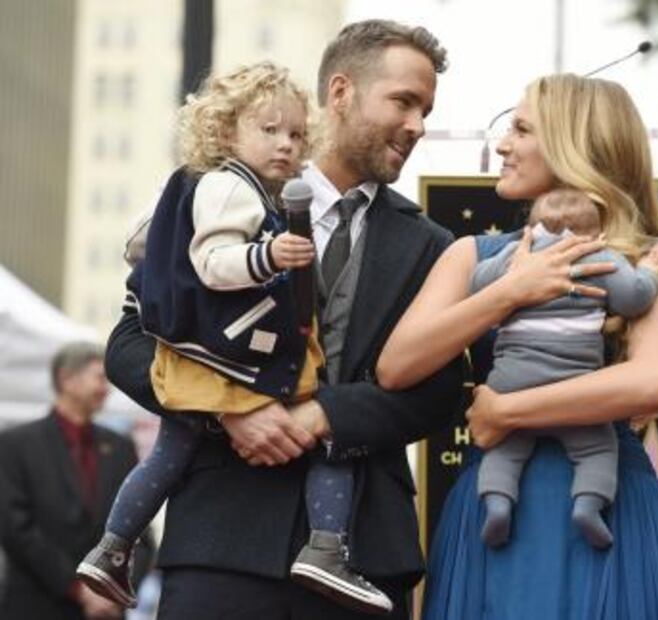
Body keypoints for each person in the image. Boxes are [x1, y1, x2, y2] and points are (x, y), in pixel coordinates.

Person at [104, 19, 463, 620]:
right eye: (403, 102)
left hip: (364, 552)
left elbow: (440, 394)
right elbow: (129, 344)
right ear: (341, 92)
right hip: (220, 539)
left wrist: (326, 415)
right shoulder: (214, 196)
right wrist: (227, 409)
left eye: (425, 110)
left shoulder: (433, 244)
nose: (417, 126)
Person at [377, 73, 658, 619]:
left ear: (577, 146)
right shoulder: (472, 255)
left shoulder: (648, 258)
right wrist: (511, 291)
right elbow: (396, 366)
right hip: (497, 512)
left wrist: (506, 411)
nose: (503, 144)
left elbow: (653, 384)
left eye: (522, 129)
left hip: (611, 511)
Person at [77, 61, 393, 615]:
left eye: (295, 134)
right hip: (233, 365)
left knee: (167, 456)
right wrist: (267, 255)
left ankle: (112, 548)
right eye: (269, 130)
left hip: (199, 361)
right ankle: (326, 548)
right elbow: (210, 264)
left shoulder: (199, 187)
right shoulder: (232, 190)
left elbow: (148, 246)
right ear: (225, 132)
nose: (286, 144)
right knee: (329, 435)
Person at [472, 189, 658, 550]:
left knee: (504, 449)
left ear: (531, 230)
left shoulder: (517, 257)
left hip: (510, 385)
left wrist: (509, 267)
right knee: (598, 449)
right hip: (573, 391)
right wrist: (649, 272)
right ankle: (588, 506)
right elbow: (634, 297)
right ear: (594, 233)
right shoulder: (600, 256)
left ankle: (497, 504)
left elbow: (477, 284)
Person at [0, 342, 153, 620]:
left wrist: (113, 591)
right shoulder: (15, 445)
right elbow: (15, 528)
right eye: (100, 378)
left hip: (107, 611)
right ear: (67, 380)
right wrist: (78, 589)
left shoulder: (120, 447)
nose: (106, 388)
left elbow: (140, 532)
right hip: (37, 606)